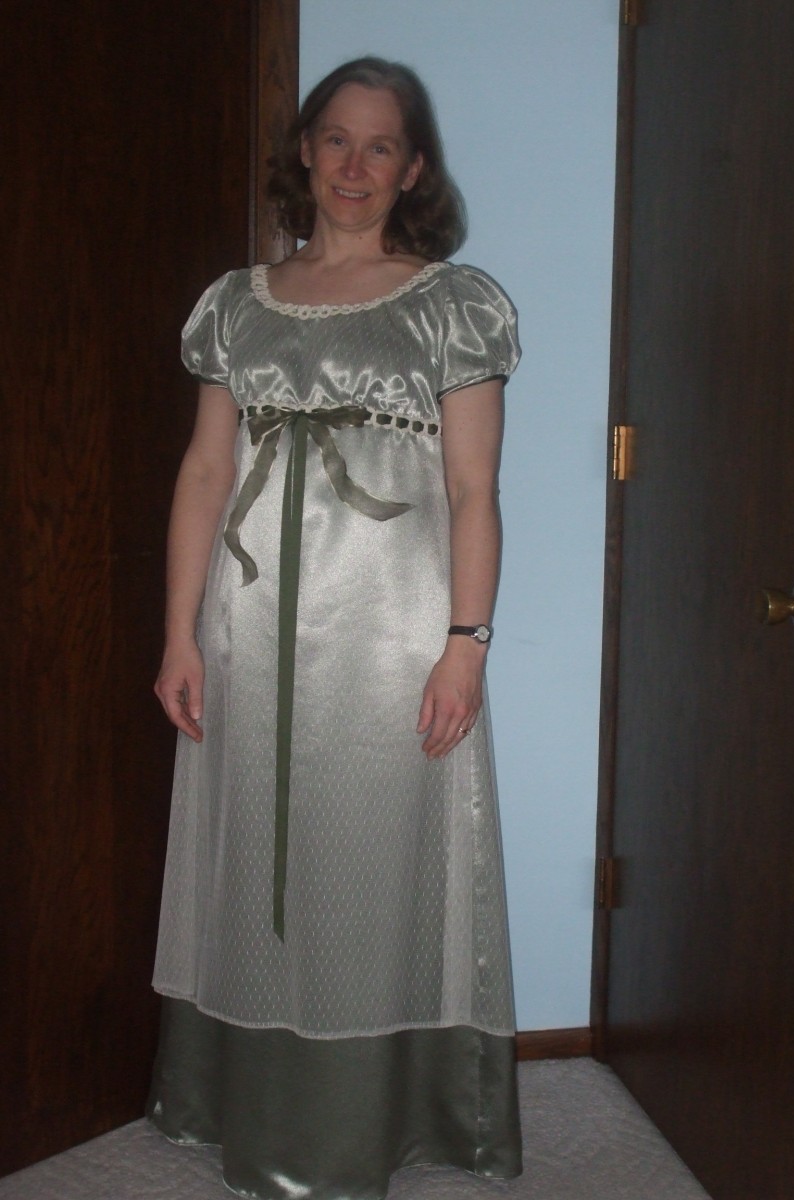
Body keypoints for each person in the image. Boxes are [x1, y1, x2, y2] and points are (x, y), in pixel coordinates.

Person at [148, 57, 522, 1200]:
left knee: (379, 862)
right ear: (305, 151)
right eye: (337, 140)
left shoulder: (452, 304)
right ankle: (242, 1108)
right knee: (253, 863)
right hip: (249, 630)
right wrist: (178, 636)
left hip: (394, 638)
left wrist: (465, 643)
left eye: (381, 146)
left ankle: (389, 1119)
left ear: (412, 169)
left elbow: (473, 490)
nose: (355, 165)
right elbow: (204, 472)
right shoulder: (236, 304)